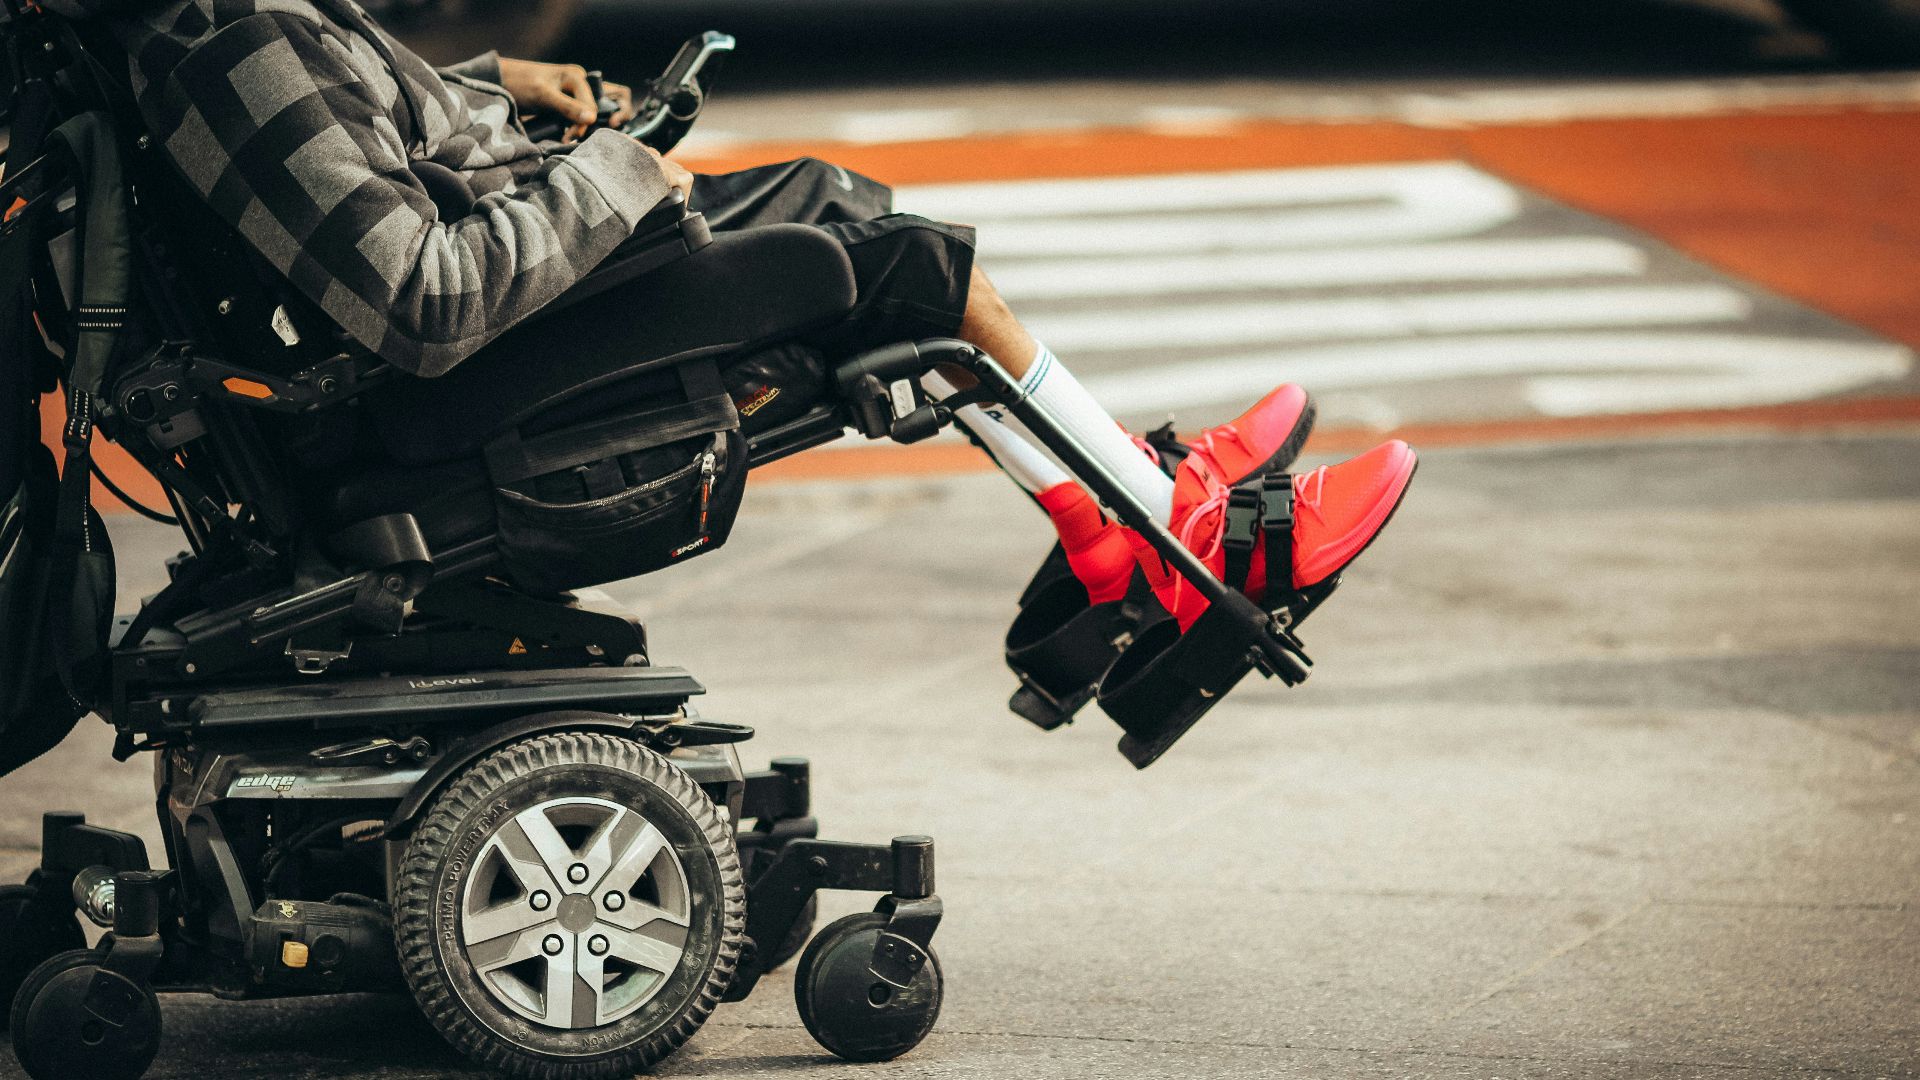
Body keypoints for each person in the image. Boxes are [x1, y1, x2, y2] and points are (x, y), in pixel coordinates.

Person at [46, 0, 1416, 625]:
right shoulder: (240, 45)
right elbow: (425, 295)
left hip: (445, 347)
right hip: (459, 386)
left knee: (844, 213)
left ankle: (1114, 509)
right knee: (888, 257)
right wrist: (620, 174)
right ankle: (1176, 541)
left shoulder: (214, 29)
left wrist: (493, 83)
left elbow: (355, 156)